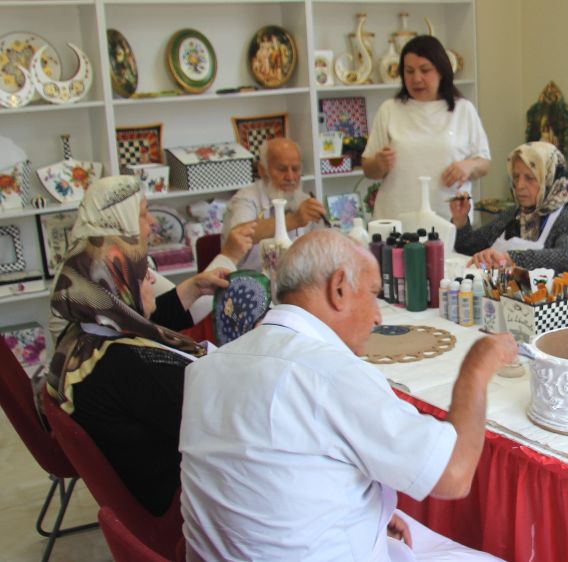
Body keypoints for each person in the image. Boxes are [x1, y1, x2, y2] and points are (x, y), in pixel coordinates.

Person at [179, 230, 517, 561]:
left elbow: (264, 482)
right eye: (372, 294)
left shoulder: (207, 366)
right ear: (339, 288)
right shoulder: (330, 374)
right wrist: (477, 369)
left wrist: (370, 515)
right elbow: (454, 475)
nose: (377, 316)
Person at [45, 176, 214, 516]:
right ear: (117, 288)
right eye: (140, 274)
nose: (151, 277)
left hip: (154, 483)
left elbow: (144, 323)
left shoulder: (86, 334)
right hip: (182, 503)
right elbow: (214, 425)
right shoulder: (126, 365)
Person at [48, 176, 256, 338]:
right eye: (143, 213)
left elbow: (149, 319)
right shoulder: (98, 271)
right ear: (123, 219)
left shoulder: (95, 262)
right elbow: (140, 332)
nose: (153, 220)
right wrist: (228, 256)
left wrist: (195, 287)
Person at [362, 35, 490, 221]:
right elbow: (368, 167)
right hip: (396, 219)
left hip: (450, 219)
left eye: (425, 70)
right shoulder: (389, 109)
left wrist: (468, 166)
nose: (417, 79)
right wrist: (378, 164)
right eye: (409, 71)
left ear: (441, 71)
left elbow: (484, 163)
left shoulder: (463, 109)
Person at [450, 141, 568, 286]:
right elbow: (467, 248)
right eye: (516, 177)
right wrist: (460, 219)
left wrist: (511, 258)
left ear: (549, 177)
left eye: (530, 178)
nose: (519, 186)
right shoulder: (514, 214)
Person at [222, 137, 327, 271]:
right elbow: (239, 235)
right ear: (262, 170)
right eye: (282, 169)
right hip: (252, 282)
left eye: (295, 169)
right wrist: (294, 220)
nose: (290, 177)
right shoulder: (246, 198)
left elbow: (320, 249)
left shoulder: (304, 200)